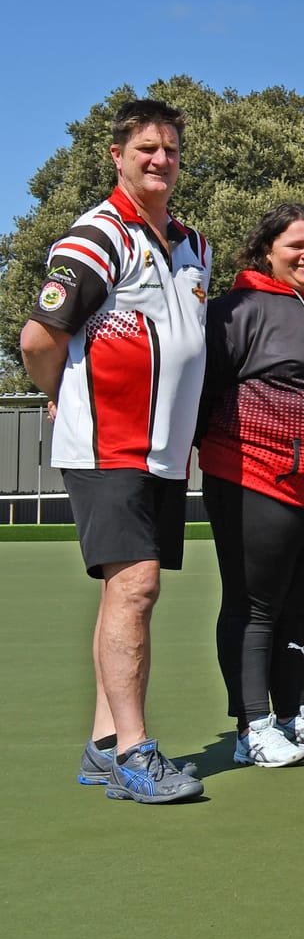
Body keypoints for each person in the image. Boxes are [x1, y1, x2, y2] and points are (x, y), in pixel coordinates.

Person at [22, 98, 210, 803]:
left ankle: (104, 744)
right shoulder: (96, 236)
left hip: (163, 452)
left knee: (126, 592)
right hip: (109, 444)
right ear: (117, 156)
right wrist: (62, 396)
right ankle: (135, 751)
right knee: (137, 585)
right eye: (145, 149)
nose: (159, 159)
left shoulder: (191, 242)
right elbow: (40, 339)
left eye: (170, 149)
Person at [196, 203, 304, 767]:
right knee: (256, 605)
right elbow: (199, 391)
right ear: (266, 250)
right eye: (295, 245)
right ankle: (253, 726)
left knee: (298, 603)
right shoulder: (237, 310)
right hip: (255, 477)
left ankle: (294, 715)